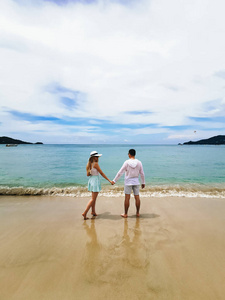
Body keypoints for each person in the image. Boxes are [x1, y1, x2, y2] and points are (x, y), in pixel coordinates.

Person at [112, 149, 145, 218]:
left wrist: (114, 180)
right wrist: (143, 182)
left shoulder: (126, 162)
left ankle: (126, 214)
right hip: (136, 181)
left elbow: (120, 172)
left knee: (127, 198)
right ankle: (138, 213)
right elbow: (142, 173)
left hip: (128, 182)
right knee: (137, 197)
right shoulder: (139, 162)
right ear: (135, 154)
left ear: (129, 154)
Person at [82, 151, 113, 220]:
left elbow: (88, 175)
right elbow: (101, 173)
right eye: (97, 157)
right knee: (93, 199)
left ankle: (93, 211)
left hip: (91, 180)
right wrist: (109, 180)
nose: (98, 158)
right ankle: (85, 213)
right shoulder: (95, 164)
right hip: (95, 181)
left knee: (94, 198)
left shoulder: (89, 164)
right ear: (94, 157)